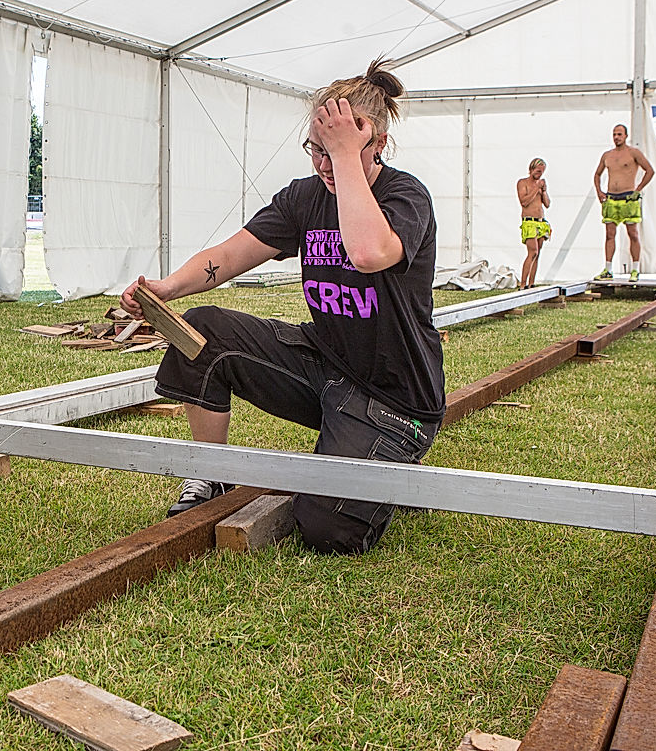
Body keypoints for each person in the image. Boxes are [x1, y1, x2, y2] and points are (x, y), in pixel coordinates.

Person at [121, 59, 444, 556]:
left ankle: (387, 460)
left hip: (394, 400)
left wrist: (344, 157)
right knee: (205, 332)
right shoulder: (304, 198)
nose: (322, 164)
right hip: (325, 367)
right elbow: (229, 256)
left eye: (335, 149)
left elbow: (369, 253)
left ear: (375, 143)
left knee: (327, 530)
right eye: (316, 149)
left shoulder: (406, 195)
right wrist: (168, 288)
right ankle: (210, 475)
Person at [593, 124, 653, 282]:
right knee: (610, 235)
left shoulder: (633, 153)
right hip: (611, 198)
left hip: (628, 198)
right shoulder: (607, 155)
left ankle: (635, 269)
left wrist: (638, 189)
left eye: (619, 134)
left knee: (633, 233)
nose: (616, 137)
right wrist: (599, 192)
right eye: (614, 134)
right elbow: (597, 174)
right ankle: (608, 269)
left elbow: (649, 170)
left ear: (626, 136)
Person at [517, 158, 551, 289]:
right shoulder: (523, 183)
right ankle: (522, 283)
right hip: (529, 222)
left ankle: (531, 283)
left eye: (542, 172)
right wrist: (536, 188)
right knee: (533, 252)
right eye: (537, 171)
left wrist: (543, 191)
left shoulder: (540, 185)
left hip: (541, 222)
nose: (539, 174)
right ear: (531, 169)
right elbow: (524, 202)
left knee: (538, 254)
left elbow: (547, 204)